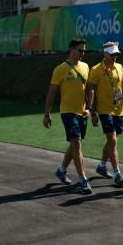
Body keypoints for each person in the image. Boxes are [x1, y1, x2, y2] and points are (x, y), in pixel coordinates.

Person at [86, 41, 123, 187]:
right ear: (104, 54)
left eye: (116, 54)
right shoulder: (96, 70)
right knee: (113, 140)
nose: (114, 57)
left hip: (119, 109)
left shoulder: (120, 67)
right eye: (111, 54)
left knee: (112, 141)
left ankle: (102, 165)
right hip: (104, 110)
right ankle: (117, 173)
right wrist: (91, 110)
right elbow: (91, 90)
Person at [43, 39, 93, 194]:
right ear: (71, 50)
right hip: (67, 112)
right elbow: (52, 93)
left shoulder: (85, 67)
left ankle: (62, 170)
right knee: (77, 143)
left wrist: (90, 109)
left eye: (84, 51)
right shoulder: (60, 69)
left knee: (74, 144)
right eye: (80, 50)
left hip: (82, 112)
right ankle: (83, 180)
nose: (83, 53)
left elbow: (90, 89)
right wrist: (47, 113)